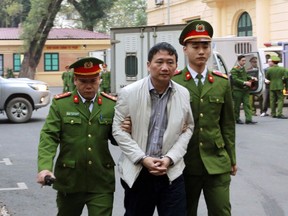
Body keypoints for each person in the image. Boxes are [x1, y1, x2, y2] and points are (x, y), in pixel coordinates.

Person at [112, 42, 194, 216]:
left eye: (170, 62)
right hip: (139, 171)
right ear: (148, 65)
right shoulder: (129, 93)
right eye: (159, 62)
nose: (165, 67)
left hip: (171, 171)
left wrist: (170, 158)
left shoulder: (183, 93)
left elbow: (188, 129)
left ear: (176, 66)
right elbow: (118, 131)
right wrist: (142, 158)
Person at [37, 57, 118, 216]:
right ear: (75, 80)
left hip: (101, 180)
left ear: (99, 80)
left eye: (93, 80)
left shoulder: (111, 105)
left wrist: (127, 129)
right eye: (83, 81)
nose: (88, 86)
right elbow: (49, 137)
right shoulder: (61, 104)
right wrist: (45, 167)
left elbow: (117, 139)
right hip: (70, 180)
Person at [172, 20, 237, 216]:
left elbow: (227, 124)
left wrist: (232, 158)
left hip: (216, 162)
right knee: (185, 212)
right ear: (185, 49)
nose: (201, 51)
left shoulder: (221, 83)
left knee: (221, 211)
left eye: (205, 46)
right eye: (195, 46)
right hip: (184, 163)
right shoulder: (174, 82)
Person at [230, 55, 258, 124]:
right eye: (243, 61)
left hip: (245, 90)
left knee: (247, 104)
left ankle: (248, 119)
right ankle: (236, 118)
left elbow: (245, 76)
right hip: (238, 90)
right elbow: (235, 79)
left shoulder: (243, 68)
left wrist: (251, 78)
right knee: (237, 105)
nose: (244, 62)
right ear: (239, 61)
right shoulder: (234, 69)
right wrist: (245, 82)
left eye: (245, 60)